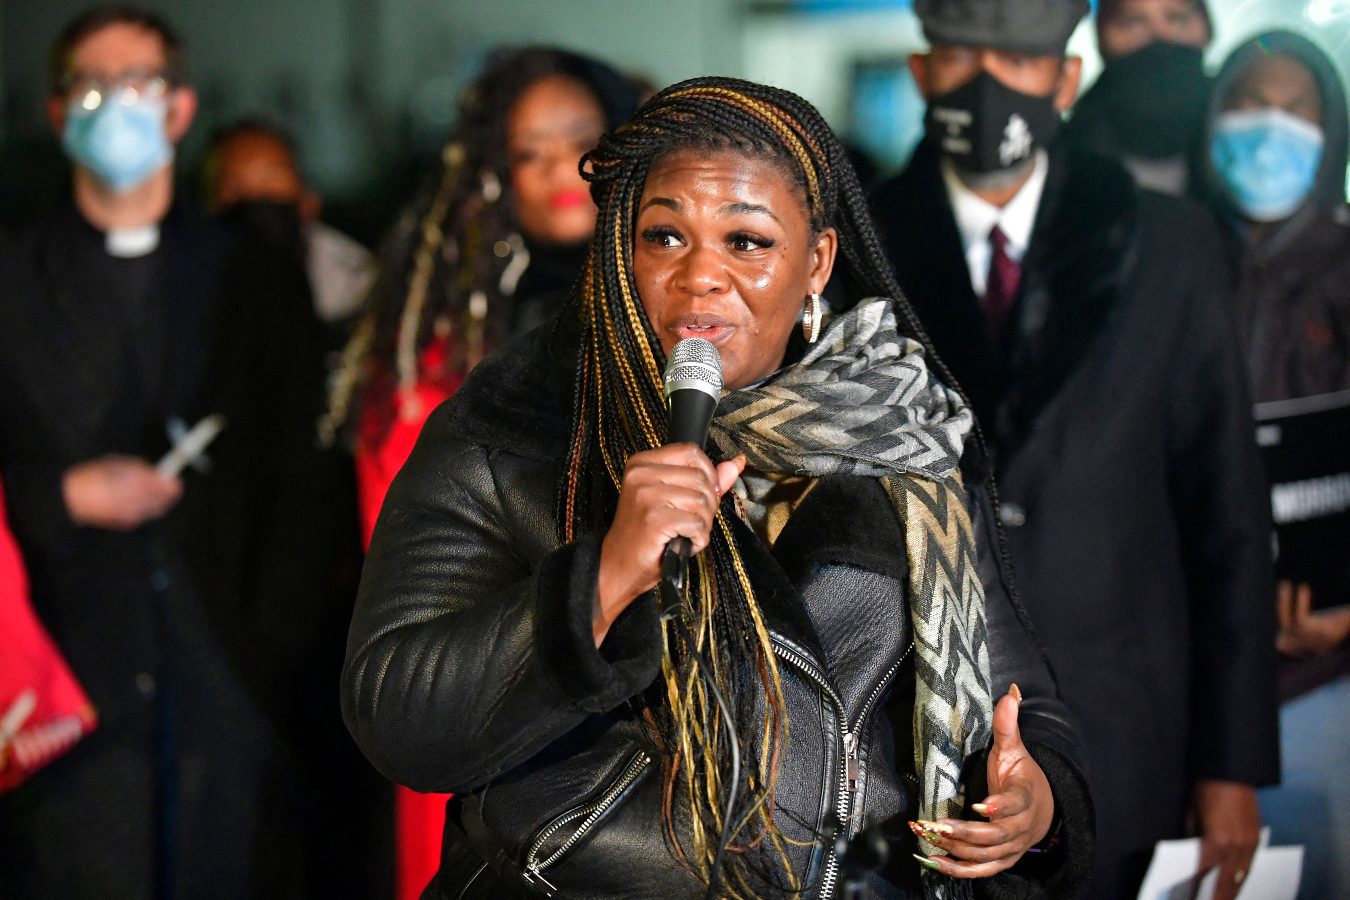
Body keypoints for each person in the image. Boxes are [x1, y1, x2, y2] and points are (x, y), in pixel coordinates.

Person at [342, 75, 1096, 899]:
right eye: (664, 237)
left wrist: (1036, 803)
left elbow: (1025, 705)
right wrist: (604, 579)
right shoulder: (513, 430)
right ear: (620, 250)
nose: (701, 275)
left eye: (747, 242)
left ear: (817, 263)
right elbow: (399, 719)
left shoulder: (902, 438)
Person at [870, 1, 1280, 898]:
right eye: (963, 56)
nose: (988, 85)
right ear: (920, 73)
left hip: (1128, 719)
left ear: (1066, 79)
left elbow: (1229, 517)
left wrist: (1233, 766)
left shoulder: (1168, 244)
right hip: (905, 740)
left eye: (1019, 63)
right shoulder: (848, 247)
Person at [0, 7, 364, 895]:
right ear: (58, 113)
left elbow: (305, 482)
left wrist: (270, 650)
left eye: (140, 83)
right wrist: (63, 495)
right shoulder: (12, 276)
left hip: (228, 677)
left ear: (179, 107)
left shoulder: (254, 273)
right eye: (93, 85)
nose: (116, 104)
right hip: (63, 680)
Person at [323, 46, 640, 900]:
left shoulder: (677, 303)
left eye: (575, 137)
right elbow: (410, 553)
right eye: (525, 154)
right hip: (495, 666)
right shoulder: (446, 336)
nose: (557, 172)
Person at [1204, 30, 1350, 898]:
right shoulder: (1167, 259)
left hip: (1329, 681)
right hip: (1199, 681)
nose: (1269, 128)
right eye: (1249, 102)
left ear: (1330, 130)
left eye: (1295, 110)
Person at [205, 119, 375, 330]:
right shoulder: (189, 287)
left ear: (309, 201)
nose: (255, 196)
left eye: (272, 182)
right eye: (234, 187)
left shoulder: (360, 288)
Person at [1063, 0, 1214, 195]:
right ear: (1100, 35)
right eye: (1133, 23)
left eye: (1178, 17)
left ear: (1207, 26)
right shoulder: (1063, 163)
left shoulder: (1242, 131)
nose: (1162, 36)